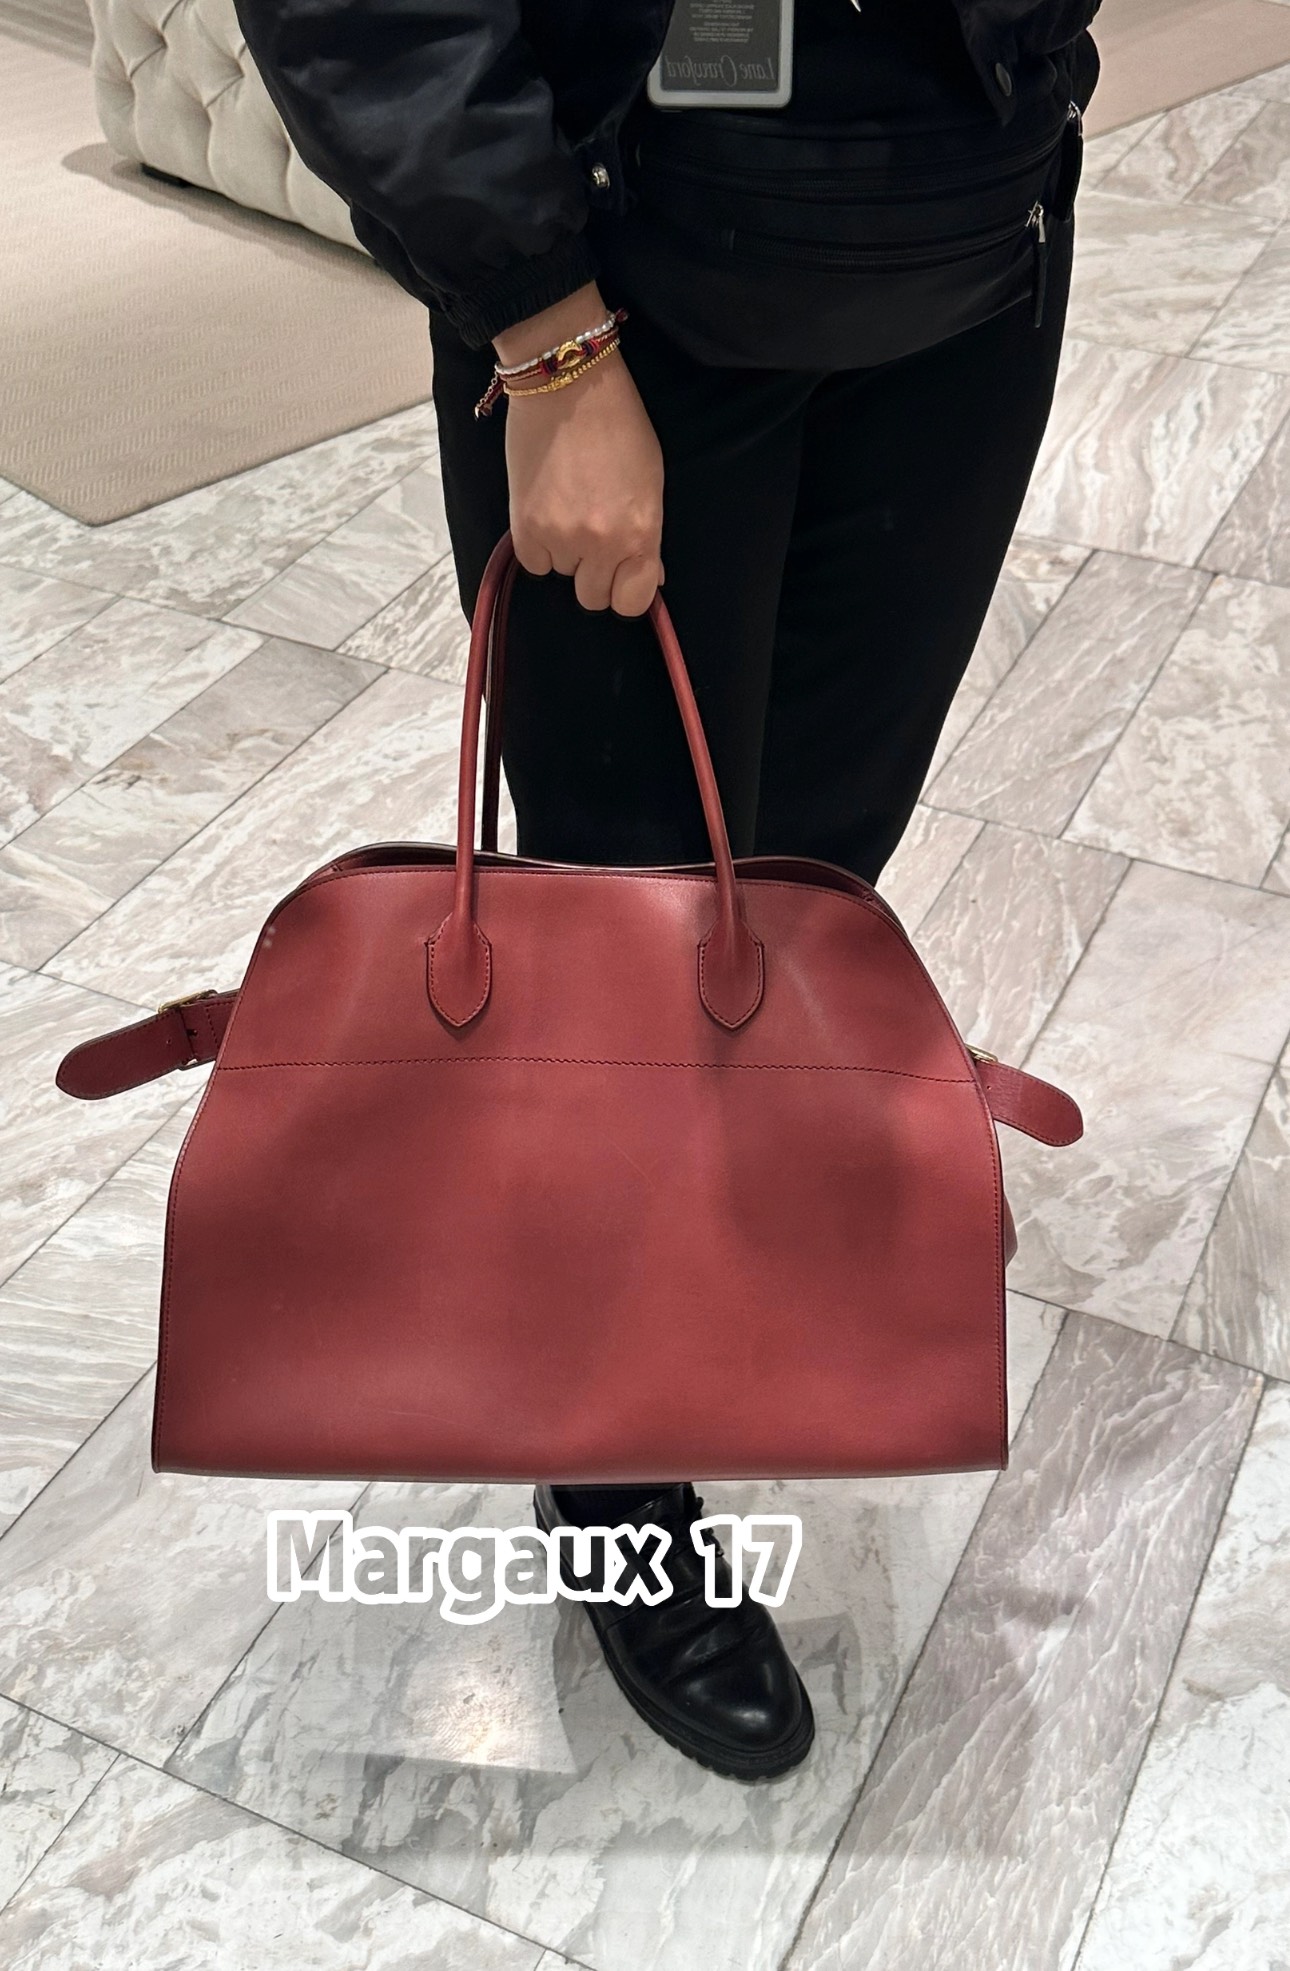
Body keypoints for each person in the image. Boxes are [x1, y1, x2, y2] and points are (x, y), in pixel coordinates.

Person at [232, 0, 1101, 1782]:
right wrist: (542, 337)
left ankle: (720, 1250)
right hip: (622, 285)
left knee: (807, 883)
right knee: (616, 931)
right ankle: (609, 1454)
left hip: (968, 242)